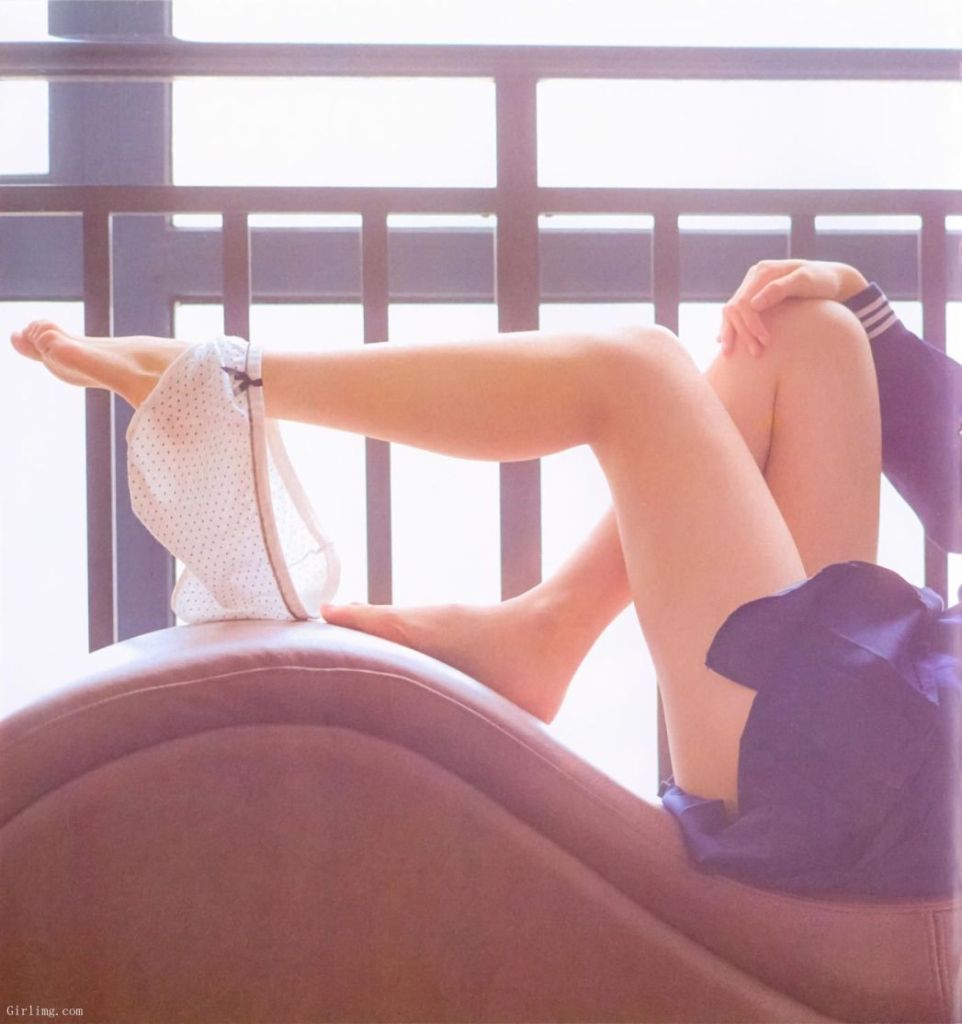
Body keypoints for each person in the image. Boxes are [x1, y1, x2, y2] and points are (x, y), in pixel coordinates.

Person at [10, 258, 961, 899]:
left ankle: (226, 384)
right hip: (907, 724)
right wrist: (864, 300)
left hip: (896, 781)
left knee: (632, 370)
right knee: (807, 329)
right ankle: (546, 628)